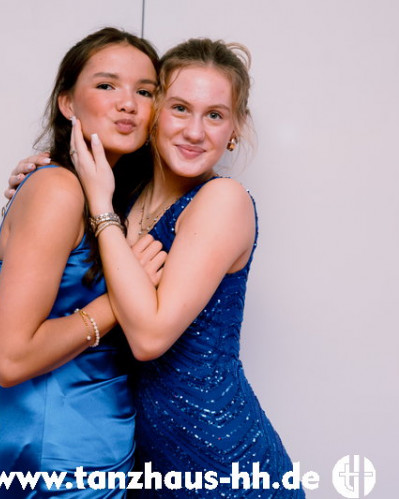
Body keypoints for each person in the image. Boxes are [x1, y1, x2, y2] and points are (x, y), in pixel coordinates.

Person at [70, 39, 305, 497]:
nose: (195, 132)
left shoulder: (223, 201)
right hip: (149, 468)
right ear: (155, 113)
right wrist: (48, 173)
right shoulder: (126, 198)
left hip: (227, 468)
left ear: (234, 129)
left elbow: (149, 338)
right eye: (180, 108)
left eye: (214, 115)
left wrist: (99, 205)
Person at [0, 27, 164, 498]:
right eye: (106, 85)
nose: (128, 103)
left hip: (101, 450)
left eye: (145, 92)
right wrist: (119, 301)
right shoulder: (58, 189)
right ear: (67, 103)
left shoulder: (112, 200)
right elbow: (8, 359)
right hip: (56, 464)